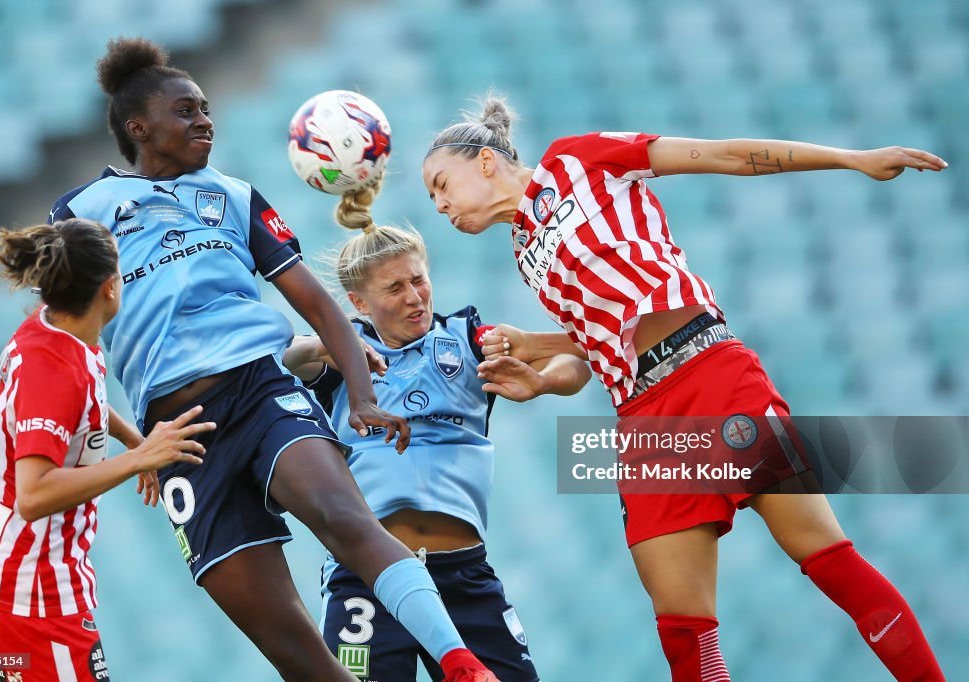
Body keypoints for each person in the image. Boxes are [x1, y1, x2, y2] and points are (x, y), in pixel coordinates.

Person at [421, 95, 948, 682]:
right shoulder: (525, 252)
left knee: (828, 561)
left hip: (710, 372)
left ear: (485, 161)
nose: (439, 205)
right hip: (643, 417)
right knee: (685, 639)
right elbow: (595, 350)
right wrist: (541, 375)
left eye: (442, 184)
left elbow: (720, 155)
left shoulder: (578, 160)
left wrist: (851, 159)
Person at [46, 37, 499, 681]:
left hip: (259, 390)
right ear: (138, 127)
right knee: (289, 643)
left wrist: (364, 397)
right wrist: (136, 443)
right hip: (179, 440)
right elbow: (68, 339)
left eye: (205, 108)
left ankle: (461, 665)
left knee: (345, 518)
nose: (204, 120)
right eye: (186, 111)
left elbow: (316, 301)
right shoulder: (79, 213)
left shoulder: (234, 195)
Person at [281, 178, 592, 681]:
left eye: (419, 280)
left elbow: (576, 356)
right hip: (366, 580)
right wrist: (325, 345)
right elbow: (284, 360)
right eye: (395, 288)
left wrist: (540, 382)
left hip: (462, 577)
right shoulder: (343, 353)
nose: (415, 297)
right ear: (359, 303)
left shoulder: (469, 339)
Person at [0, 219, 215, 682]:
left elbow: (82, 402)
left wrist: (130, 437)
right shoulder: (54, 369)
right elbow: (34, 495)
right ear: (108, 288)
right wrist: (140, 458)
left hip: (2, 584)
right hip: (33, 600)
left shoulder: (53, 330)